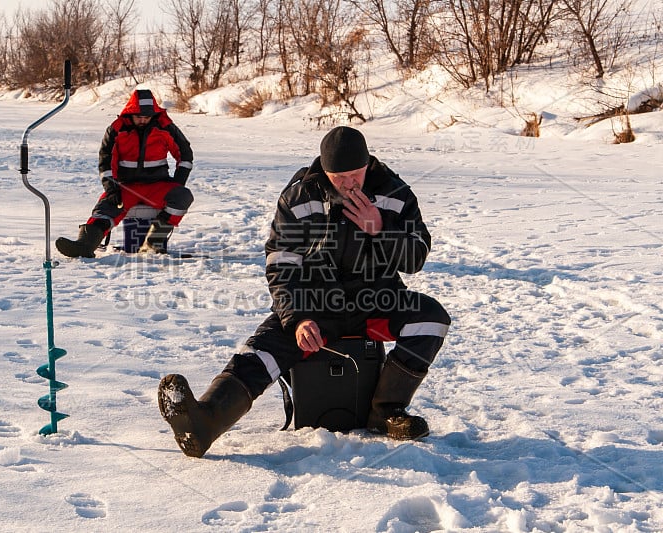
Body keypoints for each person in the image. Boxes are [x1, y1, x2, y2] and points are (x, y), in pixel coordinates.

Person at [158, 126, 451, 458]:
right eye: (338, 177)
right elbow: (281, 266)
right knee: (261, 351)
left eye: (355, 174)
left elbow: (416, 257)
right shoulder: (299, 197)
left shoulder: (395, 193)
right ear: (324, 170)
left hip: (376, 300)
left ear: (368, 163)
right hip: (315, 305)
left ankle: (386, 412)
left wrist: (380, 228)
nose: (349, 183)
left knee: (431, 318)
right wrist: (297, 319)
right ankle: (205, 420)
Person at [56, 89, 194, 258]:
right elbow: (106, 161)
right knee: (104, 208)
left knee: (183, 196)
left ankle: (153, 244)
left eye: (147, 117)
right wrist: (111, 189)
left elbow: (185, 155)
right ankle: (84, 245)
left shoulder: (165, 127)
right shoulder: (116, 129)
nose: (143, 120)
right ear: (130, 113)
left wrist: (178, 183)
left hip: (158, 186)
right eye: (139, 117)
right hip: (125, 187)